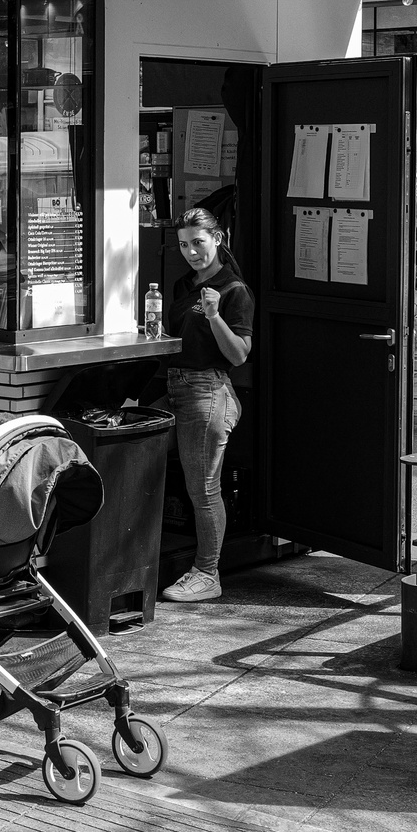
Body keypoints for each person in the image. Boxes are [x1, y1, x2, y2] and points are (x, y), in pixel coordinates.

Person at [158, 208, 254, 604]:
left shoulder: (233, 290)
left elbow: (239, 355)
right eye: (184, 244)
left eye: (198, 242)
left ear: (218, 238)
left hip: (207, 391)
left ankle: (206, 572)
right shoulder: (184, 284)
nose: (192, 251)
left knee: (203, 487)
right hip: (173, 387)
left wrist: (214, 316)